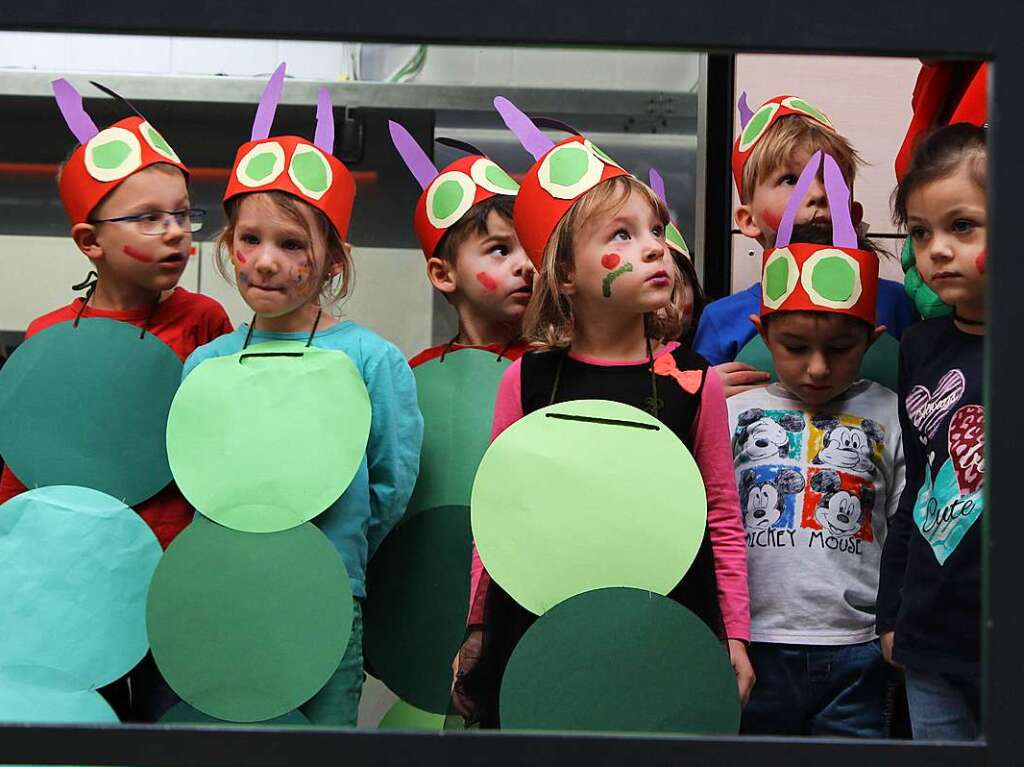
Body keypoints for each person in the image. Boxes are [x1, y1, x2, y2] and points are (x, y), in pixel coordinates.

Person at [182, 65, 422, 727]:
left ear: (333, 261)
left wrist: (334, 547)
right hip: (227, 585)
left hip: (324, 589)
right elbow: (198, 471)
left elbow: (391, 481)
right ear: (229, 246)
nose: (265, 261)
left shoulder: (372, 360)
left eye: (292, 244)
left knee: (318, 741)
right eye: (249, 239)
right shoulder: (208, 363)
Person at [728, 151, 905, 737]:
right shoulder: (734, 411)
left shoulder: (888, 412)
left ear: (872, 339)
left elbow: (904, 526)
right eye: (795, 346)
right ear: (763, 334)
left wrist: (893, 622)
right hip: (755, 647)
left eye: (842, 349)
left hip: (857, 650)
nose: (817, 369)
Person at [877, 123, 987, 741]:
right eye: (921, 233)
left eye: (962, 227)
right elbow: (917, 492)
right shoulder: (919, 347)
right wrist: (892, 612)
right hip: (931, 631)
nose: (936, 249)